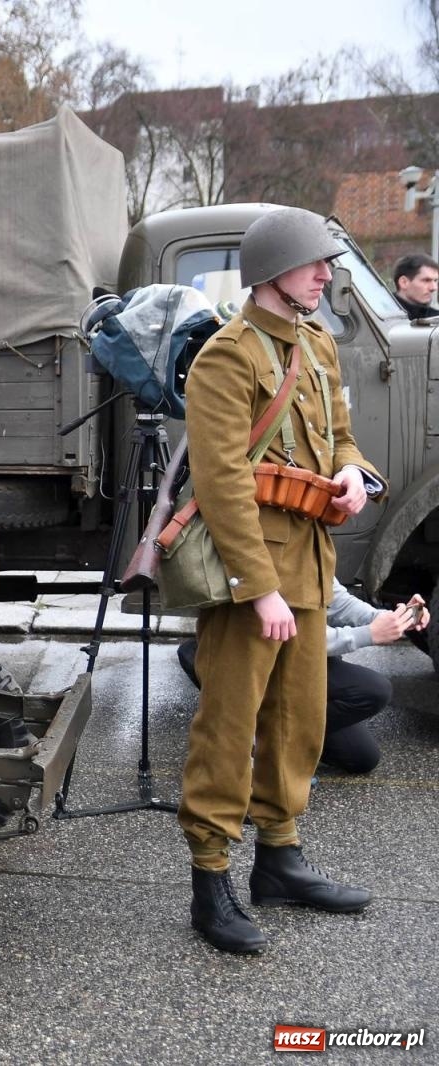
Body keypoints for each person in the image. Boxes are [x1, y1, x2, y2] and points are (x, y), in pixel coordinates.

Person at [179, 206, 385, 955]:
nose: (327, 275)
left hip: (310, 561)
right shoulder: (227, 358)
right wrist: (257, 586)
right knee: (229, 727)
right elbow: (223, 480)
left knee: (300, 720)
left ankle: (280, 860)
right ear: (273, 273)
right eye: (315, 264)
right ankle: (211, 881)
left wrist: (351, 473)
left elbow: (343, 435)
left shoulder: (318, 345)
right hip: (252, 575)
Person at [176, 580, 427, 775]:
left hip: (302, 662)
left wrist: (391, 618)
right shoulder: (274, 540)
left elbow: (339, 601)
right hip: (264, 654)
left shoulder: (314, 532)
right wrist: (368, 634)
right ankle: (246, 737)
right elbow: (294, 636)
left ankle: (267, 733)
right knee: (373, 689)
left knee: (362, 757)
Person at [391, 252, 438, 321]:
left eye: (435, 280)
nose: (434, 288)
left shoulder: (435, 318)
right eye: (426, 280)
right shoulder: (382, 317)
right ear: (404, 282)